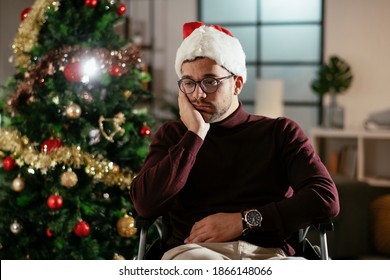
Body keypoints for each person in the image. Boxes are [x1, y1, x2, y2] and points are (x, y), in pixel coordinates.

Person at [130, 21, 340, 260]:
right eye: (188, 83)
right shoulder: (174, 136)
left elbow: (325, 198)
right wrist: (195, 134)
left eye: (210, 82)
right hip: (195, 254)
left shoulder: (280, 132)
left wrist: (244, 221)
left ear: (237, 84)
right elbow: (145, 205)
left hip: (270, 255)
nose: (198, 94)